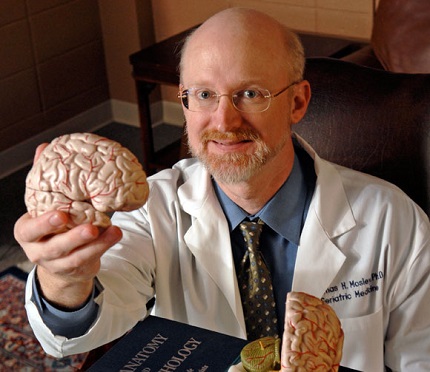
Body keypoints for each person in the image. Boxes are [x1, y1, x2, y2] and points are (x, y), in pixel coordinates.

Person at [14, 7, 430, 371]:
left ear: (297, 103)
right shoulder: (152, 209)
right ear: (184, 104)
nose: (224, 121)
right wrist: (64, 278)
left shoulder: (394, 220)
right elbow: (82, 327)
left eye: (250, 93)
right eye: (204, 94)